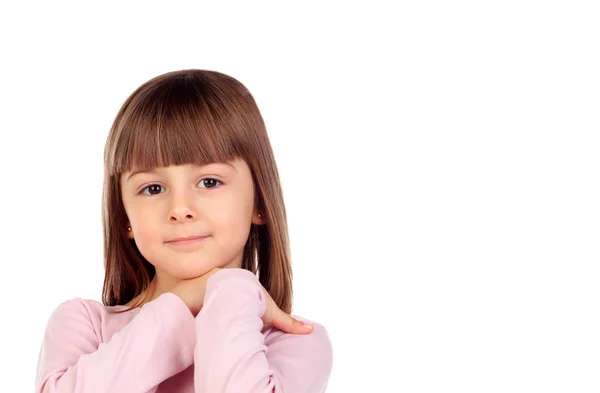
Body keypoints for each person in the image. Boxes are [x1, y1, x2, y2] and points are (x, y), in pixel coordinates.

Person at [35, 69, 333, 393]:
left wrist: (230, 286)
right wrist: (183, 302)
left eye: (209, 182)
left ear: (259, 202)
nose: (179, 209)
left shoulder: (296, 343)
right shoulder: (85, 326)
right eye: (152, 188)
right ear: (125, 217)